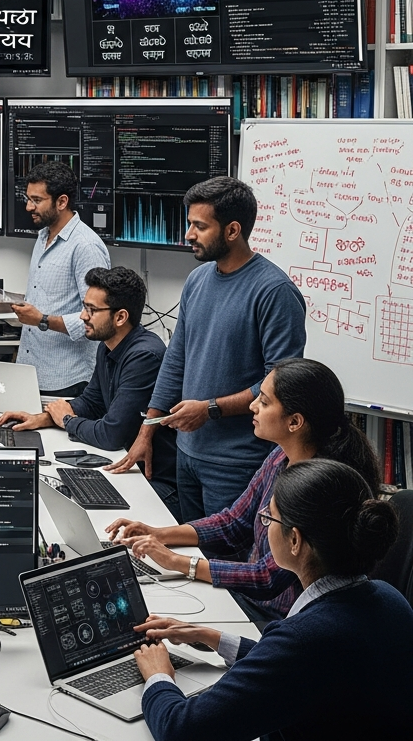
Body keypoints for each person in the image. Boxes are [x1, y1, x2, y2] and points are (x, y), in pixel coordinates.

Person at [133, 458, 412, 740]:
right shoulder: (390, 599)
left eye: (269, 517)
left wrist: (158, 676)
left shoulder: (305, 639)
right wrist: (211, 637)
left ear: (295, 541)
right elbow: (299, 668)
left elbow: (179, 730)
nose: (264, 525)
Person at [107, 358, 379, 627]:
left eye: (263, 401)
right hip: (252, 602)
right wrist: (158, 533)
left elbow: (267, 578)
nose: (252, 406)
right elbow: (233, 523)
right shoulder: (279, 457)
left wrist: (176, 561)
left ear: (295, 422)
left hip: (279, 619)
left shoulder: (321, 489)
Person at [110, 176, 307, 520]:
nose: (189, 235)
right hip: (188, 457)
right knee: (192, 555)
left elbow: (281, 384)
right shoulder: (197, 280)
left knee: (226, 564)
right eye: (190, 224)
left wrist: (210, 409)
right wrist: (147, 432)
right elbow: (176, 361)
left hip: (238, 465)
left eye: (200, 226)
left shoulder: (274, 292)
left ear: (232, 231)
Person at [0, 266, 178, 517]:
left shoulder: (144, 356)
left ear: (120, 317)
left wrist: (67, 420)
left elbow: (111, 434)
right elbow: (93, 402)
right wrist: (44, 418)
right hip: (126, 469)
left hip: (155, 484)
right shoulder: (108, 345)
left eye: (92, 310)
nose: (83, 316)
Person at [11, 161, 110, 397]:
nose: (28, 207)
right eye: (28, 198)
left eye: (36, 200)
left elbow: (97, 317)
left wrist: (42, 320)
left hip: (67, 379)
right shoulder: (43, 234)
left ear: (62, 202)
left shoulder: (86, 247)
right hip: (32, 371)